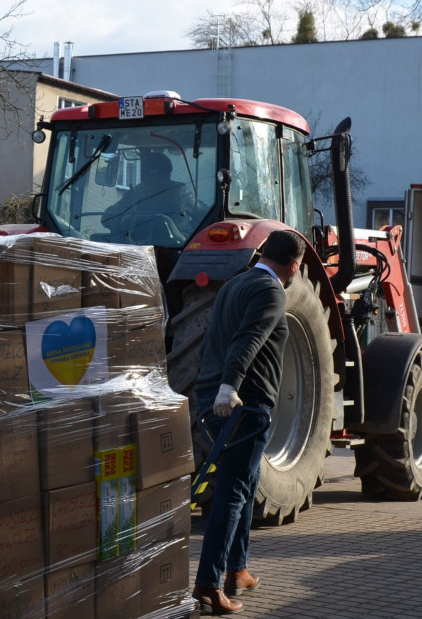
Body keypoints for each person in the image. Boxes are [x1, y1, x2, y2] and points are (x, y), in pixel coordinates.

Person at [190, 228, 306, 615]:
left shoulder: (235, 284)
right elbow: (248, 339)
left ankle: (237, 569)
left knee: (246, 481)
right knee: (233, 492)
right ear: (295, 265)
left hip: (217, 396)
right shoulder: (272, 291)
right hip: (244, 402)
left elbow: (210, 341)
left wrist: (211, 388)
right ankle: (209, 583)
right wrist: (229, 387)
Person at [102, 151, 196, 241]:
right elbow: (200, 212)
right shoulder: (179, 190)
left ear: (145, 174)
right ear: (168, 173)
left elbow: (106, 218)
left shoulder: (134, 192)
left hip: (137, 244)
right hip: (178, 245)